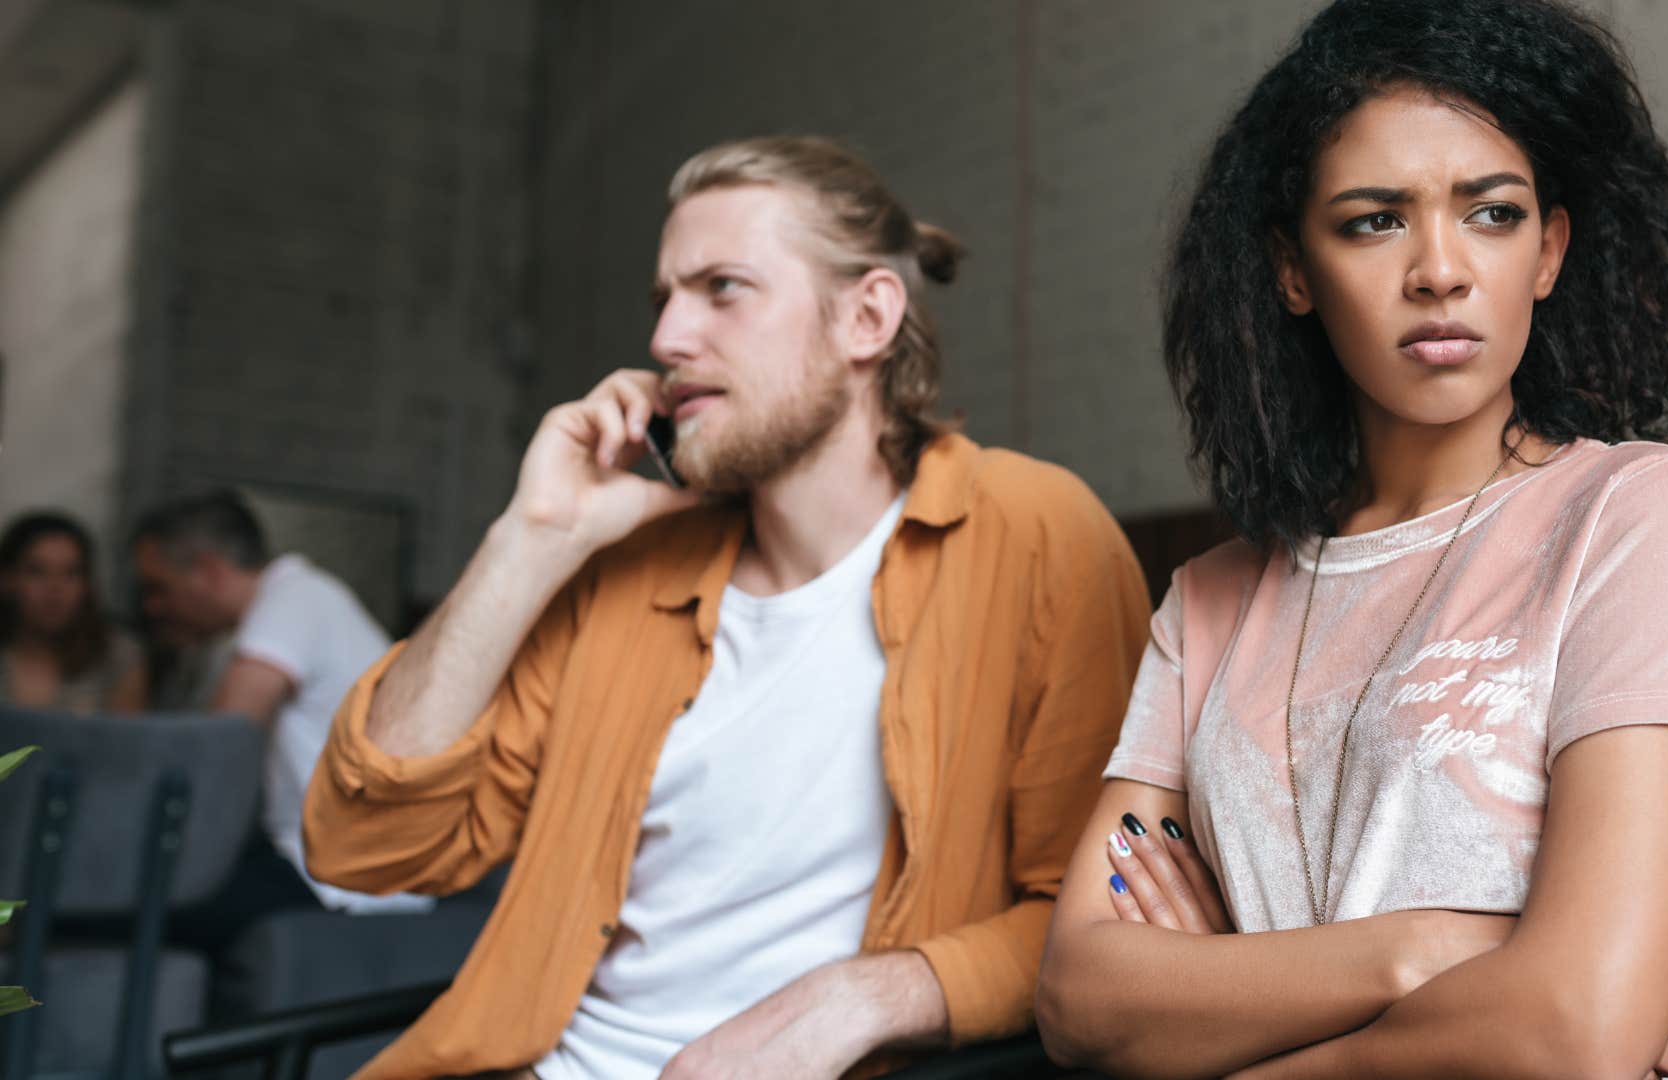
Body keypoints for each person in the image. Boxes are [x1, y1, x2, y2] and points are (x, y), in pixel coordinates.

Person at [1035, 2, 1668, 1078]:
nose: (1440, 270)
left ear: (1550, 251)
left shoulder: (1645, 514)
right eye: (1372, 221)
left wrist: (1234, 1015)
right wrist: (1426, 953)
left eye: (1491, 214)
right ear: (1293, 271)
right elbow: (1079, 997)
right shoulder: (1208, 602)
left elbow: (1575, 1033)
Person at [302, 135, 1150, 1080]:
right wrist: (532, 537)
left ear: (867, 317)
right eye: (664, 299)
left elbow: (1103, 914)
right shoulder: (622, 576)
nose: (667, 340)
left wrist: (866, 995)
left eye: (723, 289)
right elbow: (362, 847)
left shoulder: (1034, 535)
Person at [132, 491, 428, 921]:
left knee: (136, 901)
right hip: (325, 859)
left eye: (159, 589)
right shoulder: (275, 611)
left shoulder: (292, 601)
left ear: (209, 571)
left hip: (347, 876)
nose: (153, 607)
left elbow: (221, 742)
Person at [0, 511, 146, 712]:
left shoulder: (118, 656)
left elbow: (125, 740)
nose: (54, 590)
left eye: (71, 573)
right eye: (37, 571)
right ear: (8, 579)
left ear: (87, 584)